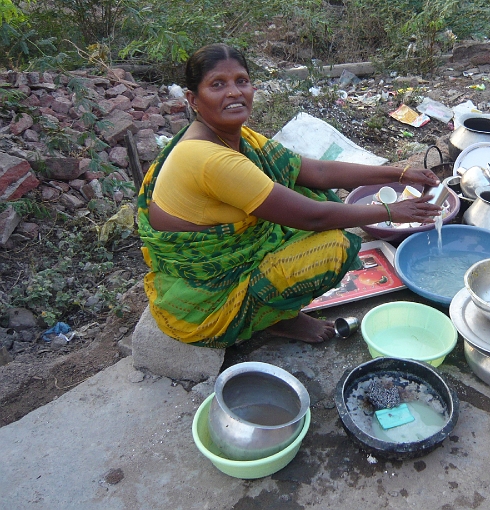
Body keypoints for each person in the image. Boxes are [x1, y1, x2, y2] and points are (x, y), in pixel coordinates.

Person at [137, 44, 441, 348]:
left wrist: (400, 173)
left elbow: (316, 173)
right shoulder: (210, 158)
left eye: (241, 81)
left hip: (233, 253)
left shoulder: (236, 137)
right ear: (193, 99)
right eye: (218, 84)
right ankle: (275, 319)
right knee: (335, 247)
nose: (233, 93)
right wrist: (391, 212)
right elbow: (313, 216)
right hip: (205, 299)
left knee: (311, 190)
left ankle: (273, 304)